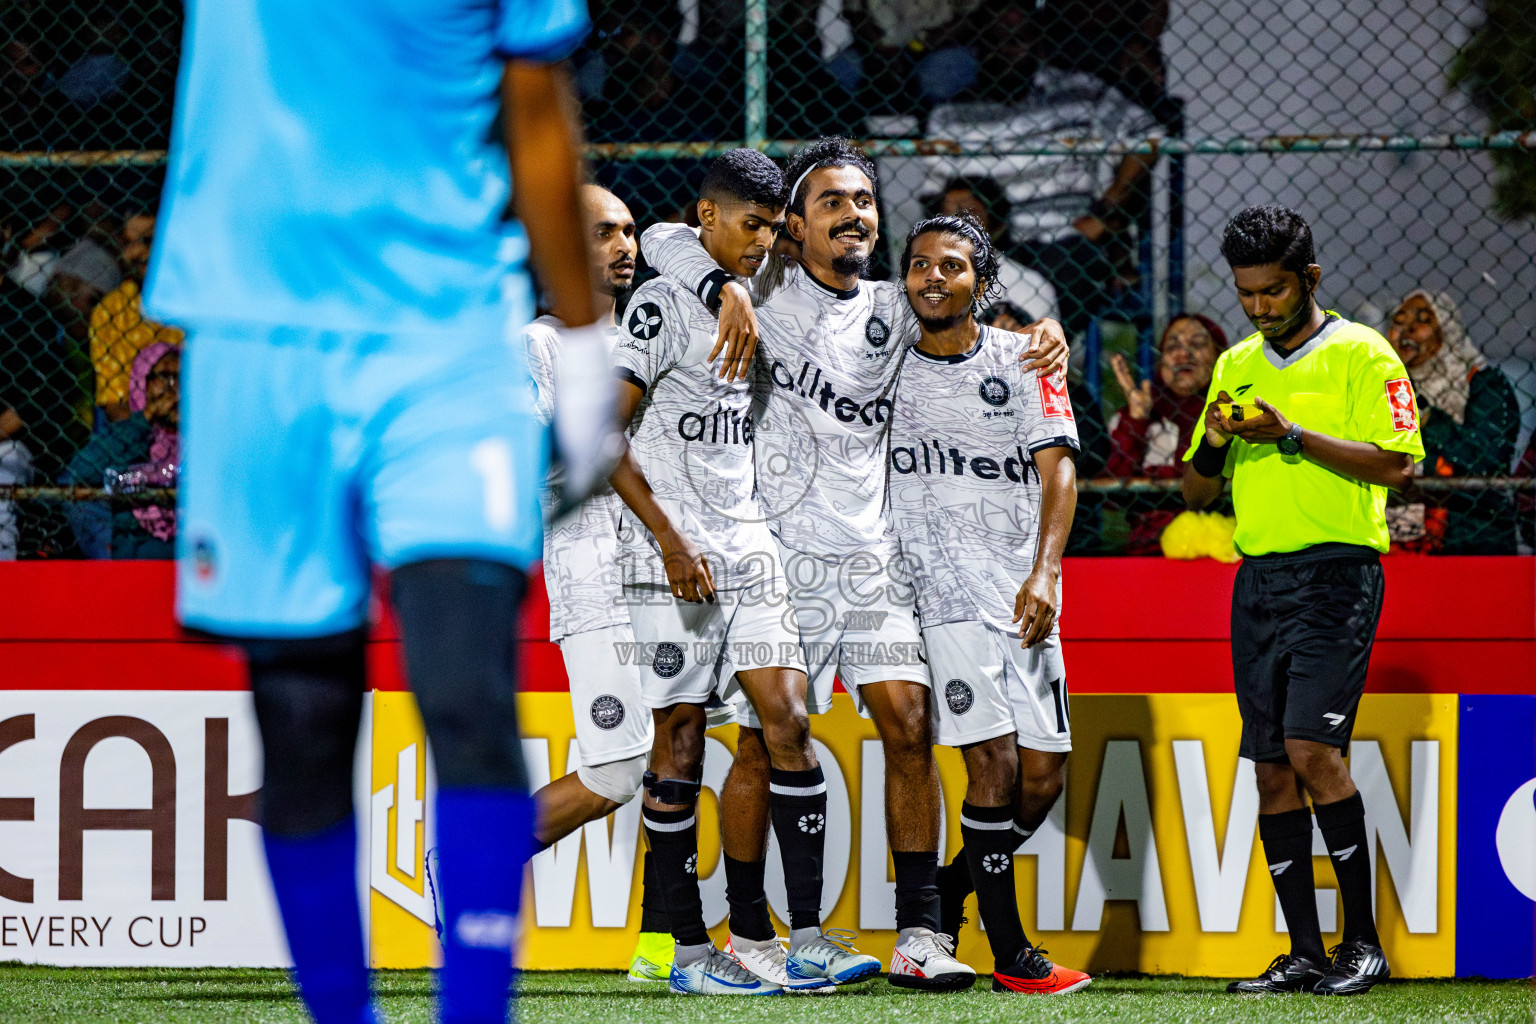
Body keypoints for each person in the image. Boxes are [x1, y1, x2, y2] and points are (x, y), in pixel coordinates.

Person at [141, 3, 612, 1023]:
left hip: (449, 338)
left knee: (468, 695)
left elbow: (537, 106)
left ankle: (476, 1013)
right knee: (303, 723)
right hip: (252, 337)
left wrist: (582, 343)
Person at [641, 136, 1070, 991]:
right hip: (781, 559)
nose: (854, 215)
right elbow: (662, 235)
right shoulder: (757, 291)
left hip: (874, 564)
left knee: (910, 729)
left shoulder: (895, 308)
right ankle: (754, 932)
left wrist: (1041, 332)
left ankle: (920, 933)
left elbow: (970, 316)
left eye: (865, 201)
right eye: (832, 201)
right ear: (793, 224)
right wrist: (723, 284)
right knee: (767, 745)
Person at [613, 149, 875, 995]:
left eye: (772, 226)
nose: (764, 242)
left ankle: (805, 939)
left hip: (751, 540)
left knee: (787, 718)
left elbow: (682, 239)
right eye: (750, 225)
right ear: (710, 218)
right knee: (680, 737)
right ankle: (689, 952)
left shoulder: (759, 290)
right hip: (672, 555)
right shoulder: (661, 302)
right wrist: (667, 539)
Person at [1182, 206, 1422, 997]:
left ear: (1309, 278)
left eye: (1273, 291)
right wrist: (1216, 439)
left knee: (1314, 753)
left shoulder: (1364, 353)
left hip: (1337, 575)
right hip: (1258, 582)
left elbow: (1397, 467)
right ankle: (1305, 953)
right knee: (1273, 771)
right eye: (1247, 293)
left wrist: (1292, 435)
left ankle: (1365, 945)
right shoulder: (1238, 362)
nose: (1258, 307)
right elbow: (1194, 488)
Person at [890, 213, 1092, 995]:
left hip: (1024, 592)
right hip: (939, 595)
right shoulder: (882, 364)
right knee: (995, 763)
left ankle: (946, 895)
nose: (933, 277)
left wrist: (1045, 572)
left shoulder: (1025, 357)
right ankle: (1011, 954)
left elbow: (1060, 473)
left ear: (983, 281)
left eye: (952, 266)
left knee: (1043, 774)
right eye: (918, 266)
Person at [1385, 289, 1520, 554]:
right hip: (1398, 545)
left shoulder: (1484, 383)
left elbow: (1486, 458)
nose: (1407, 329)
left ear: (1448, 331)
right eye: (1398, 321)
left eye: (1423, 320)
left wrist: (1429, 420)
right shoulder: (1383, 387)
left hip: (1472, 539)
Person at [1107, 314, 1228, 554]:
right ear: (1161, 361)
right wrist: (1136, 422)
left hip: (1222, 547)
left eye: (1197, 344)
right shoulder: (1130, 417)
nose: (1183, 354)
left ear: (1219, 357)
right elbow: (1112, 496)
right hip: (1149, 551)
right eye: (1172, 347)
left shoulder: (1233, 415)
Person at [60, 340, 180, 559]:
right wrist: (146, 419)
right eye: (163, 376)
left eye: (182, 378)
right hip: (132, 552)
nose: (174, 387)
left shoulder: (206, 439)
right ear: (142, 381)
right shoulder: (126, 433)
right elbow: (76, 475)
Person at [89, 211, 183, 423]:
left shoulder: (200, 303)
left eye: (148, 240)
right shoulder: (112, 309)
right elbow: (114, 402)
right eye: (128, 243)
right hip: (140, 428)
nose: (135, 253)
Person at [933, 177, 1059, 323]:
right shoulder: (911, 285)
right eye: (948, 215)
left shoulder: (1031, 286)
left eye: (968, 217)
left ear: (997, 225)